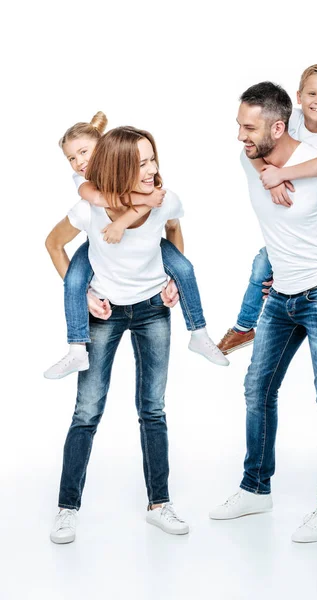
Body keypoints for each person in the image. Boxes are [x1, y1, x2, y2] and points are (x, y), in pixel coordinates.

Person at [210, 82, 317, 543]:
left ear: (279, 127)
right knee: (257, 389)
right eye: (239, 126)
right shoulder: (251, 158)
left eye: (248, 128)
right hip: (279, 298)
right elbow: (254, 156)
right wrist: (271, 169)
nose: (240, 137)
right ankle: (256, 488)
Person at [46, 126, 192, 542]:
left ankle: (159, 504)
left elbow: (174, 233)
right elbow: (53, 244)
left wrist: (174, 278)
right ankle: (66, 508)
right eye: (142, 161)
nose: (152, 168)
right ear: (122, 164)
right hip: (105, 315)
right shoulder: (89, 207)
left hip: (152, 313)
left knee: (153, 409)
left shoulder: (163, 200)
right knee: (87, 412)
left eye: (152, 159)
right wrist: (85, 295)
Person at [44, 113, 228, 380]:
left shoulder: (161, 196)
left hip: (153, 305)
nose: (79, 162)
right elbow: (101, 200)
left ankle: (198, 333)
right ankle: (76, 346)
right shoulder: (85, 194)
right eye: (71, 158)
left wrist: (171, 279)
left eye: (83, 152)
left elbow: (169, 222)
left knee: (184, 269)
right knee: (74, 282)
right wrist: (127, 216)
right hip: (104, 282)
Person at [218, 64, 317, 372]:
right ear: (299, 97)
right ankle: (244, 325)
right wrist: (268, 174)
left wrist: (281, 175)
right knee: (263, 261)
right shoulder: (292, 119)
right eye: (312, 94)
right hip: (300, 237)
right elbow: (261, 145)